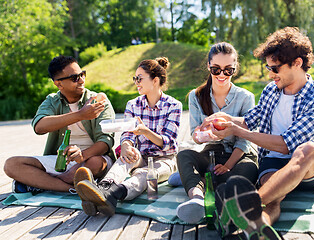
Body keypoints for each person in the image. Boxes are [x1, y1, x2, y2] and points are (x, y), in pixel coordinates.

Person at [206, 27, 314, 239]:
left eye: (275, 68)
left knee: (309, 149)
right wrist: (223, 118)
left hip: (308, 169)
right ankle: (257, 228)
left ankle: (236, 208)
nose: (271, 73)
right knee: (274, 197)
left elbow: (286, 145)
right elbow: (249, 120)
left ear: (298, 63)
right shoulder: (271, 91)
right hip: (272, 162)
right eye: (268, 67)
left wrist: (238, 131)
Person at [74, 57, 182, 216]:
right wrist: (125, 146)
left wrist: (145, 131)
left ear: (155, 80)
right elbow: (127, 133)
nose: (136, 82)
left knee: (145, 174)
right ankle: (103, 189)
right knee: (126, 158)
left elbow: (168, 143)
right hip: (140, 155)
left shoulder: (174, 105)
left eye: (139, 78)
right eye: (135, 78)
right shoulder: (133, 104)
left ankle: (110, 196)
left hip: (165, 159)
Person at [4, 55, 116, 193]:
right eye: (75, 77)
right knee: (12, 165)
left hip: (92, 158)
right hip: (62, 161)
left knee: (95, 163)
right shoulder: (52, 100)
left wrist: (82, 155)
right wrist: (80, 115)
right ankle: (73, 188)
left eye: (82, 74)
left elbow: (106, 141)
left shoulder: (98, 100)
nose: (81, 80)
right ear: (58, 84)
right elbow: (39, 127)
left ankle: (42, 182)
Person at [175, 42, 258, 224]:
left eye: (228, 70)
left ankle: (216, 194)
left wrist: (228, 165)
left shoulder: (246, 97)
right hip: (211, 152)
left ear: (235, 69)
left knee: (248, 170)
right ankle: (197, 199)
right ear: (208, 67)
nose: (222, 75)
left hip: (239, 156)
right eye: (216, 69)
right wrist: (206, 134)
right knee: (183, 156)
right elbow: (195, 138)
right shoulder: (196, 96)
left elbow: (245, 140)